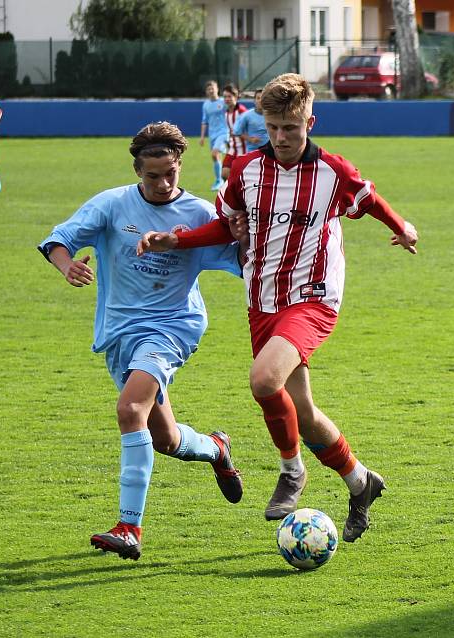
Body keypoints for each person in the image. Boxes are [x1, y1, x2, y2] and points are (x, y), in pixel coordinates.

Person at [138, 74, 419, 544]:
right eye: (272, 127)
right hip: (262, 298)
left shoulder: (333, 172)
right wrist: (177, 239)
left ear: (311, 120)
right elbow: (228, 228)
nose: (282, 137)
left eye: (290, 127)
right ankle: (360, 482)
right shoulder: (244, 170)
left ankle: (292, 471)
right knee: (302, 410)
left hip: (313, 297)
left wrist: (402, 227)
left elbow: (368, 197)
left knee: (263, 380)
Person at [38, 121, 245, 561]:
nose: (163, 183)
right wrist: (66, 266)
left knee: (130, 409)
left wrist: (247, 237)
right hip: (119, 333)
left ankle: (129, 527)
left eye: (170, 172)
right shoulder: (112, 205)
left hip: (173, 326)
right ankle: (216, 448)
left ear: (179, 165)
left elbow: (246, 261)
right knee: (165, 438)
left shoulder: (199, 214)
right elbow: (58, 240)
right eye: (153, 175)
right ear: (137, 170)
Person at [199, 80, 229, 191]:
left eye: (213, 88)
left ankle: (219, 181)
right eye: (208, 89)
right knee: (216, 157)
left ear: (217, 89)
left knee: (214, 153)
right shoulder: (206, 105)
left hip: (224, 132)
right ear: (206, 91)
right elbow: (204, 121)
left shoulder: (224, 101)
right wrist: (202, 137)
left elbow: (232, 110)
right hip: (212, 134)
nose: (211, 90)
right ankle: (222, 180)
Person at [220, 83, 247, 182]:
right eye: (225, 97)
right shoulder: (227, 112)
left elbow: (247, 130)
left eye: (229, 96)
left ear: (236, 97)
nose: (227, 99)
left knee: (240, 177)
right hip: (232, 148)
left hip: (243, 150)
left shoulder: (241, 111)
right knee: (224, 174)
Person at [231, 88, 268, 154]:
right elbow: (236, 131)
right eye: (258, 98)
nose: (260, 100)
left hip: (269, 152)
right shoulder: (246, 115)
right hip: (253, 152)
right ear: (254, 101)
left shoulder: (272, 116)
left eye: (263, 98)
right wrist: (250, 139)